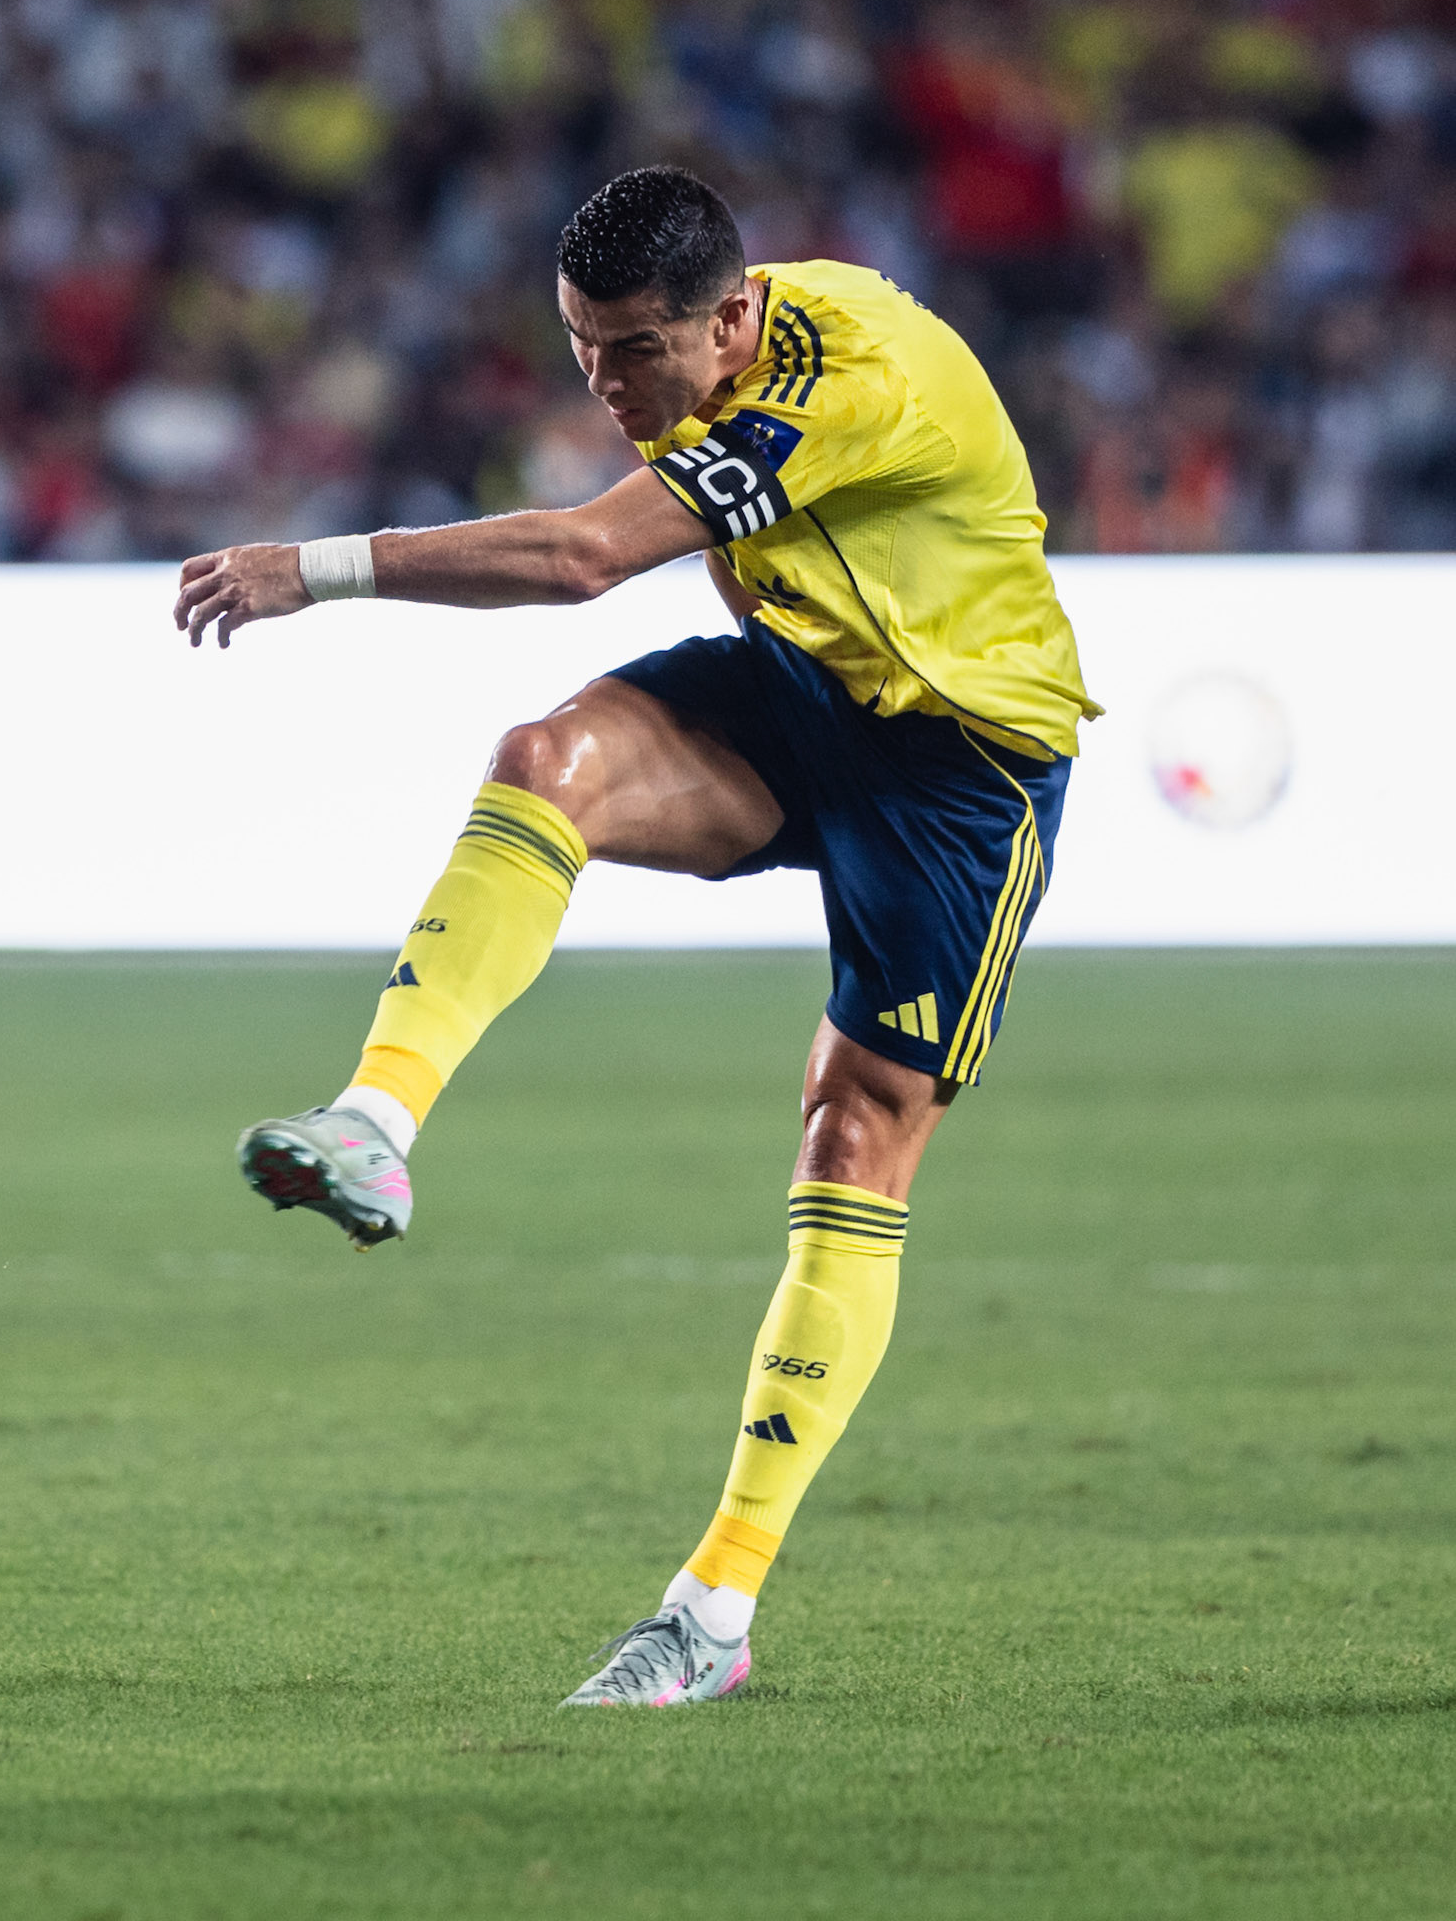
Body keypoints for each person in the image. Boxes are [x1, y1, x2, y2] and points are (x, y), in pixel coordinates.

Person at [173, 166, 1100, 1708]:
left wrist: (307, 570)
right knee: (545, 764)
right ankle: (373, 1118)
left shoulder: (854, 386)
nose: (607, 386)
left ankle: (713, 1614)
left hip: (960, 771)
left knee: (851, 1137)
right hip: (804, 692)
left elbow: (578, 561)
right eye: (581, 347)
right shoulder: (716, 330)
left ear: (731, 322)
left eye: (637, 356)